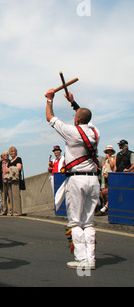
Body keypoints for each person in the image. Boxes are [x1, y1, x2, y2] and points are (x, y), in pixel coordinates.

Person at [46, 88, 100, 270]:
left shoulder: (71, 132)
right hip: (93, 180)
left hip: (76, 180)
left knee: (75, 222)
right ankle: (91, 259)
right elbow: (86, 119)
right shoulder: (95, 132)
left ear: (77, 120)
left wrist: (49, 99)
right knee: (89, 221)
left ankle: (82, 259)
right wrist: (74, 103)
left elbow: (50, 118)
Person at [96, 145, 116, 216]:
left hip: (112, 177)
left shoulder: (113, 157)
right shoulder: (106, 159)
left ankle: (106, 208)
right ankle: (106, 207)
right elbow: (104, 167)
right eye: (107, 151)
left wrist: (109, 158)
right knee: (104, 192)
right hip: (106, 177)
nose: (108, 152)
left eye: (109, 151)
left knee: (108, 192)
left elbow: (112, 165)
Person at [7, 146, 23, 216]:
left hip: (15, 179)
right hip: (10, 180)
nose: (12, 153)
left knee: (16, 196)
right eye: (11, 151)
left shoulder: (18, 159)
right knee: (11, 196)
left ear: (15, 152)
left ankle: (17, 211)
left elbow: (19, 168)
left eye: (13, 151)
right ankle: (12, 211)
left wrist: (9, 169)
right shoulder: (10, 161)